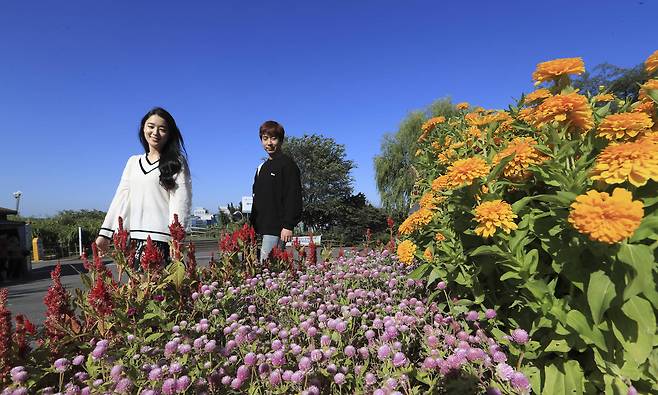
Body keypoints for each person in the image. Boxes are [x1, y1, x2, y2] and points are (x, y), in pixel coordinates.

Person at [95, 107, 192, 263]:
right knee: (138, 287)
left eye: (162, 129)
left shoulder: (176, 162)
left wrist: (177, 241)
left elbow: (181, 202)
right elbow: (120, 198)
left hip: (163, 240)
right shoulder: (133, 162)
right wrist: (104, 234)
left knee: (164, 286)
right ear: (143, 128)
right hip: (134, 240)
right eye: (151, 126)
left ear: (169, 134)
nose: (155, 133)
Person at [250, 120, 302, 262]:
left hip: (276, 229)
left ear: (280, 140)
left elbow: (293, 196)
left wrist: (288, 225)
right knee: (259, 268)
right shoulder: (261, 168)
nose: (269, 143)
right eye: (265, 138)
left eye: (273, 138)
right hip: (258, 229)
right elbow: (257, 199)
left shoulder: (288, 165)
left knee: (269, 267)